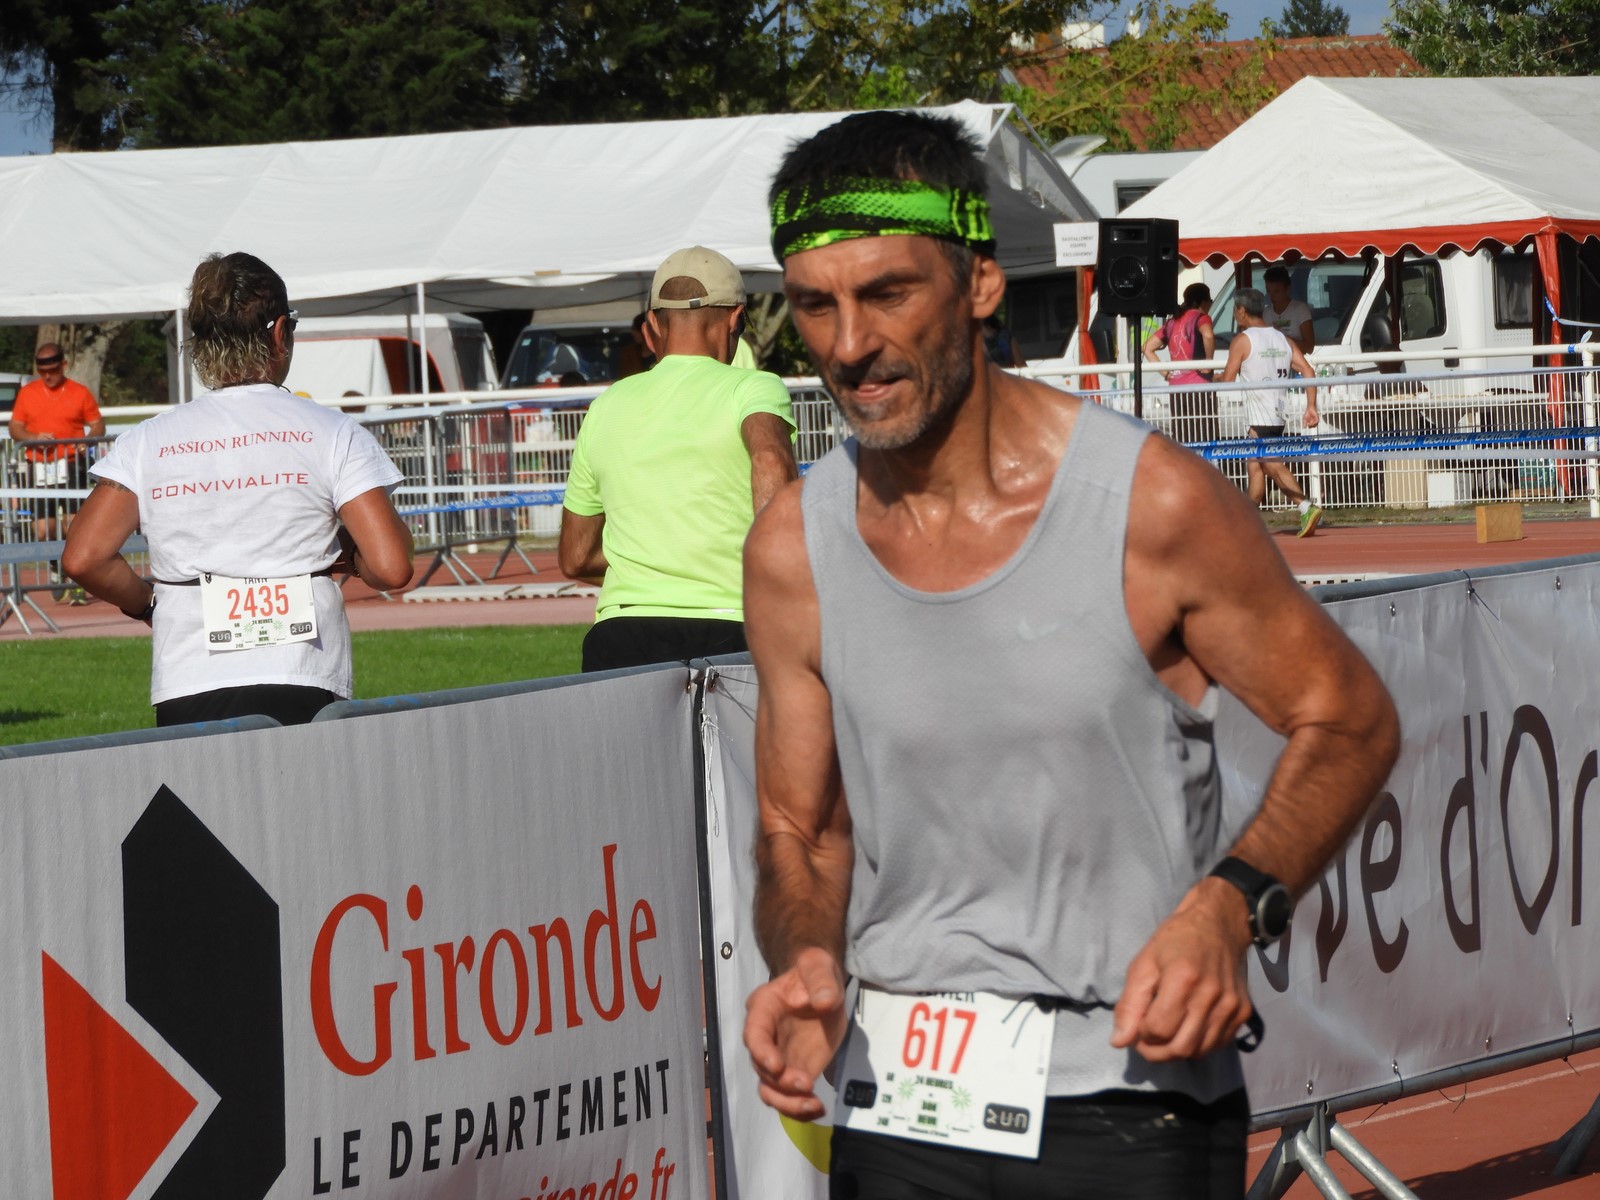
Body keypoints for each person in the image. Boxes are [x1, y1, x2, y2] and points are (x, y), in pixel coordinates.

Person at [741, 110, 1399, 1199]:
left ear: (979, 284)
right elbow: (798, 829)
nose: (849, 345)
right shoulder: (791, 549)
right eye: (816, 305)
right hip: (898, 1096)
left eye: (888, 294)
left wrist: (1230, 905)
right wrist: (805, 958)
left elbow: (1349, 716)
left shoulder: (1151, 506)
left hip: (1126, 1095)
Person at [62, 251, 414, 728]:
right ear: (279, 333)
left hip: (188, 676)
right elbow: (392, 567)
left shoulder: (147, 440)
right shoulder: (334, 432)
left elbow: (84, 558)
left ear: (201, 344)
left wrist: (146, 604)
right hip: (302, 671)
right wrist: (352, 557)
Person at [558, 245, 798, 673]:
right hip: (731, 623)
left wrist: (660, 562)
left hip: (620, 631)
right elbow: (770, 461)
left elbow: (575, 557)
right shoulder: (754, 388)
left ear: (652, 325)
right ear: (735, 320)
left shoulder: (605, 406)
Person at [1219, 287, 1323, 537]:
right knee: (1255, 468)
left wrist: (1211, 378)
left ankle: (1305, 506)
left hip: (1259, 416)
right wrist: (1311, 405)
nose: (1234, 315)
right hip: (1277, 413)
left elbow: (1227, 380)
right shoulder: (1282, 339)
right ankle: (1245, 521)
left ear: (1242, 311)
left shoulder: (1242, 341)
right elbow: (1308, 370)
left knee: (1271, 464)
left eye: (1234, 310)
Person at [8, 342, 105, 546]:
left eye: (52, 371)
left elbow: (98, 425)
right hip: (39, 465)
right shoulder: (28, 393)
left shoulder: (79, 392)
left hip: (71, 464)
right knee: (43, 530)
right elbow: (15, 428)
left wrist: (86, 441)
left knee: (73, 526)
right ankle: (53, 562)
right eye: (42, 372)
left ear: (63, 365)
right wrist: (34, 439)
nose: (47, 377)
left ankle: (70, 562)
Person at [1143, 282, 1217, 445]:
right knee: (1205, 436)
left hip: (1176, 387)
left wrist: (1166, 374)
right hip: (1199, 385)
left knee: (1182, 436)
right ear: (1203, 301)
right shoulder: (1201, 317)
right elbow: (1208, 335)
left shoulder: (1172, 322)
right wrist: (1209, 362)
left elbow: (1147, 348)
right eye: (1210, 301)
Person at [1261, 265, 1314, 354]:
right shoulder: (1266, 313)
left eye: (1276, 291)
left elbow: (1309, 348)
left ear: (1287, 289)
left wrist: (1282, 339)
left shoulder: (1300, 310)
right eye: (1268, 291)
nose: (1271, 296)